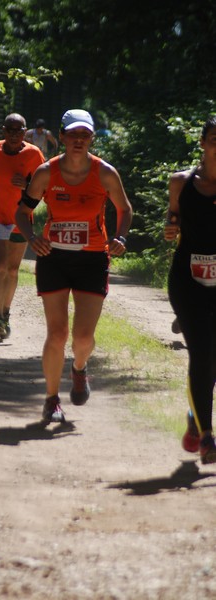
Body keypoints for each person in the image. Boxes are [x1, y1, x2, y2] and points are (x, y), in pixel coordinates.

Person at [15, 109, 133, 423]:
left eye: (85, 135)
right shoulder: (45, 173)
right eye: (73, 134)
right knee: (56, 334)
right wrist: (31, 237)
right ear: (63, 137)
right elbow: (21, 212)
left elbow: (124, 208)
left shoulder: (105, 173)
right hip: (53, 257)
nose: (79, 140)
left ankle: (79, 368)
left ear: (92, 138)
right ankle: (51, 400)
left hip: (93, 259)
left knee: (82, 337)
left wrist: (120, 236)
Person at [164, 115, 216, 464]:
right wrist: (171, 228)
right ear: (201, 142)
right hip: (187, 280)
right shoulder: (180, 182)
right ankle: (208, 437)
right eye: (213, 137)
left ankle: (194, 417)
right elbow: (173, 219)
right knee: (202, 355)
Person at [0, 113, 45, 339]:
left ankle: (6, 313)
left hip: (21, 219)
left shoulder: (34, 154)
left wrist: (27, 185)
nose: (14, 135)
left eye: (19, 131)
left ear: (26, 133)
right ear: (3, 131)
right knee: (1, 266)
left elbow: (44, 182)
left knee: (13, 270)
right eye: (10, 130)